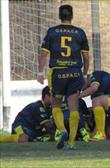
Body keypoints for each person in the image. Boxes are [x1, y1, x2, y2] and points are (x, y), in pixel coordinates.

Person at [37, 4, 90, 149]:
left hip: (58, 72)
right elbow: (86, 58)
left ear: (59, 16)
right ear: (72, 16)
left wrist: (40, 73)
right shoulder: (80, 33)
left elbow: (43, 54)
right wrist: (84, 75)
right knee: (74, 107)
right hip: (75, 72)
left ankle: (62, 130)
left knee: (56, 105)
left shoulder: (52, 32)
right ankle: (72, 142)